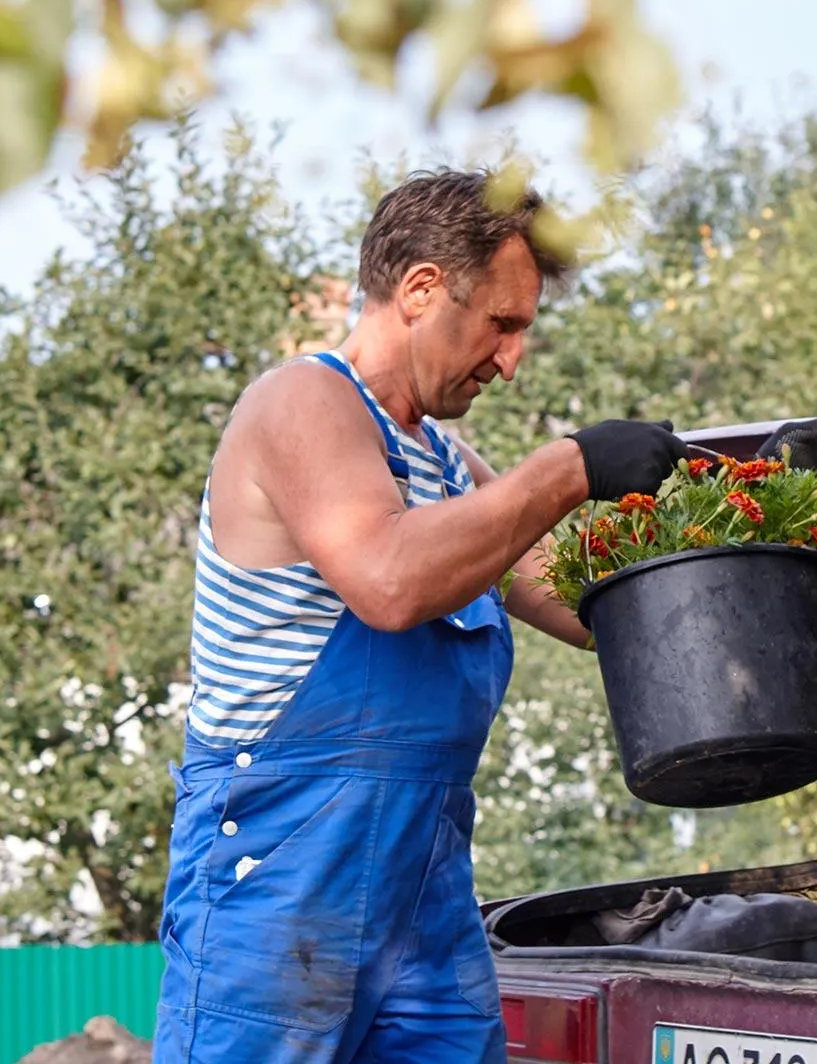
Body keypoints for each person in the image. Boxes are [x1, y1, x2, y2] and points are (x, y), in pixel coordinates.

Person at [153, 170, 685, 1064]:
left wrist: (753, 511)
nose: (511, 361)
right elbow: (389, 580)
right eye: (502, 324)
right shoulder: (301, 403)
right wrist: (568, 468)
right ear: (421, 289)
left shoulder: (443, 459)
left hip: (424, 888)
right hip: (279, 878)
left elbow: (590, 603)